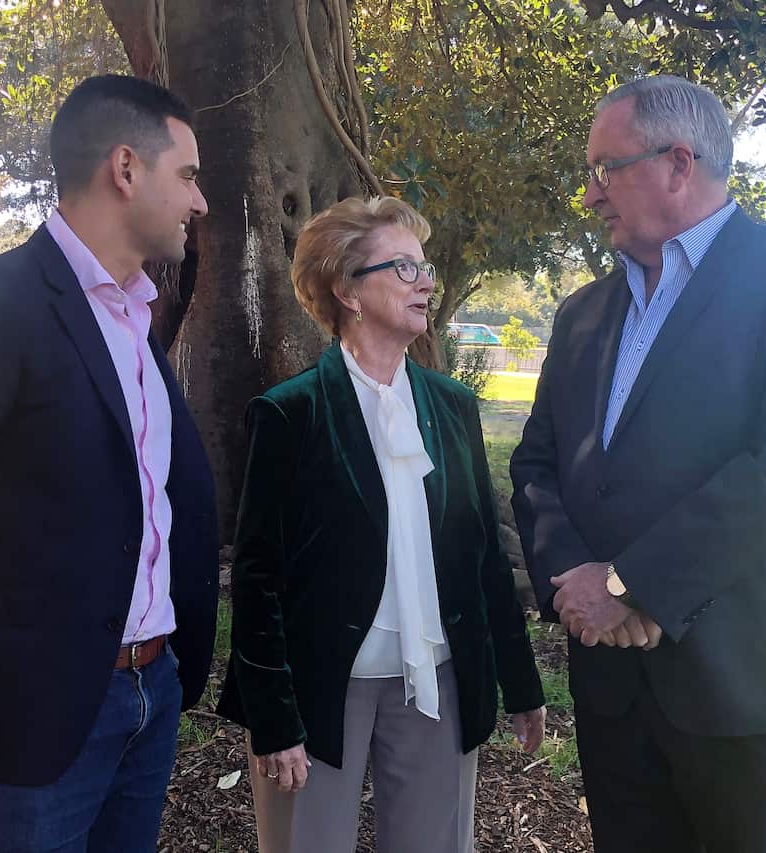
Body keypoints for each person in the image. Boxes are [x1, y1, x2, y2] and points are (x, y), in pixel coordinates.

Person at [510, 75, 766, 853]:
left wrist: (627, 583)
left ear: (679, 163)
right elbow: (538, 461)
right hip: (613, 685)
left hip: (745, 675)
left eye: (605, 169)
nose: (589, 194)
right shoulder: (582, 312)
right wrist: (572, 576)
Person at [0, 74, 218, 853]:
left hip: (151, 695)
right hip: (22, 714)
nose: (199, 202)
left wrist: (166, 673)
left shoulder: (137, 317)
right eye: (188, 176)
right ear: (126, 169)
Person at [215, 196, 546, 853]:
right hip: (316, 687)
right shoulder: (292, 413)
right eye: (403, 267)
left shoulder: (452, 406)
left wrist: (521, 679)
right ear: (346, 288)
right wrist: (275, 719)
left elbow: (482, 555)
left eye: (425, 267)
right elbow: (258, 578)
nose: (425, 280)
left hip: (440, 678)